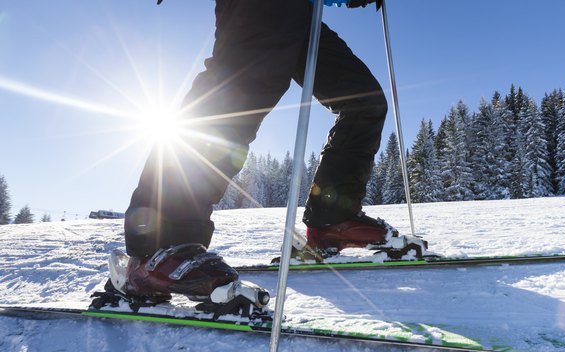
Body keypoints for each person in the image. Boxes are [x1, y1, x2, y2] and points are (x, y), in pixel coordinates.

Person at [108, 0, 398, 307]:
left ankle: (332, 220)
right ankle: (157, 248)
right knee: (237, 92)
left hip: (302, 12)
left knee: (364, 101)